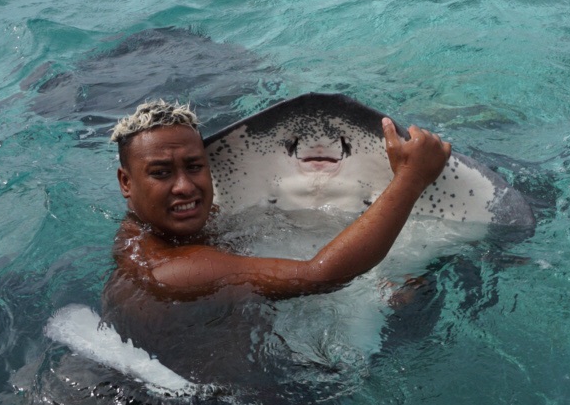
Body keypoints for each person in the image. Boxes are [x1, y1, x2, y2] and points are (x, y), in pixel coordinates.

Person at [109, 98, 451, 302]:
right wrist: (411, 178)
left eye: (195, 166)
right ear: (126, 182)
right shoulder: (172, 271)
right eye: (161, 172)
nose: (184, 186)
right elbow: (321, 276)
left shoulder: (155, 230)